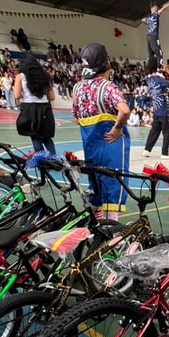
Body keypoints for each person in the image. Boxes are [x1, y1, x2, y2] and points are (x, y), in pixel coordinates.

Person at [72, 43, 131, 220]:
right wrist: (117, 128)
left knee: (96, 184)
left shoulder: (78, 88)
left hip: (91, 146)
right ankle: (110, 232)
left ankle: (96, 225)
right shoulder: (107, 87)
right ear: (107, 64)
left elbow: (76, 117)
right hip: (111, 146)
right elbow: (125, 110)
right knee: (113, 185)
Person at [14, 55, 56, 154]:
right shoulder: (45, 75)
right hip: (45, 108)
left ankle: (42, 162)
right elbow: (52, 97)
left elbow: (17, 95)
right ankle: (54, 159)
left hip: (29, 108)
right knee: (46, 137)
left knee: (35, 136)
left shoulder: (20, 77)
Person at [142, 55, 169, 159]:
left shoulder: (148, 79)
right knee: (167, 132)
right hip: (164, 109)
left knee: (154, 130)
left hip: (156, 110)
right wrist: (168, 70)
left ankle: (147, 149)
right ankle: (164, 153)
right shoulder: (159, 80)